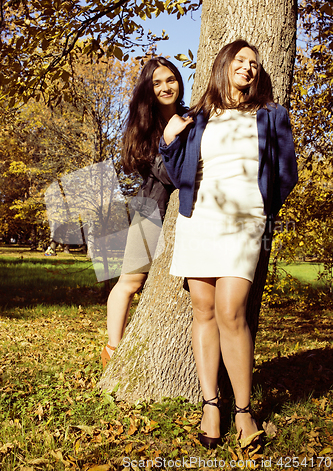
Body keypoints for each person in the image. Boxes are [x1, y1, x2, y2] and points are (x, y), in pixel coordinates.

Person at [160, 39, 298, 449]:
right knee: (203, 310)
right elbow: (175, 172)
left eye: (254, 64)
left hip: (244, 221)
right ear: (224, 66)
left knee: (230, 311)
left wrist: (259, 206)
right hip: (199, 218)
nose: (248, 68)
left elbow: (286, 172)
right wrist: (169, 140)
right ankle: (210, 405)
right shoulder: (199, 116)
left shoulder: (271, 114)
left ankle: (243, 410)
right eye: (240, 61)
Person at [101, 57, 186, 368]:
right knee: (130, 281)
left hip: (184, 214)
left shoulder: (191, 118)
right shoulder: (145, 127)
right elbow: (168, 176)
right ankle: (112, 350)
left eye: (171, 79)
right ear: (148, 91)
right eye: (157, 83)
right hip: (150, 212)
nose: (166, 87)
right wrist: (168, 139)